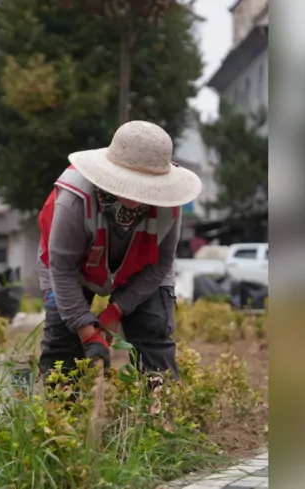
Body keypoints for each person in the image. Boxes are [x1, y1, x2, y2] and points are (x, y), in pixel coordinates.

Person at [36, 121, 202, 381]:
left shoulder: (169, 204)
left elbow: (160, 265)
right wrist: (86, 329)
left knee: (153, 331)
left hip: (139, 267)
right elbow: (62, 268)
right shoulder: (74, 200)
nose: (137, 195)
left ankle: (159, 416)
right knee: (62, 342)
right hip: (70, 268)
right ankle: (63, 416)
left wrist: (116, 310)